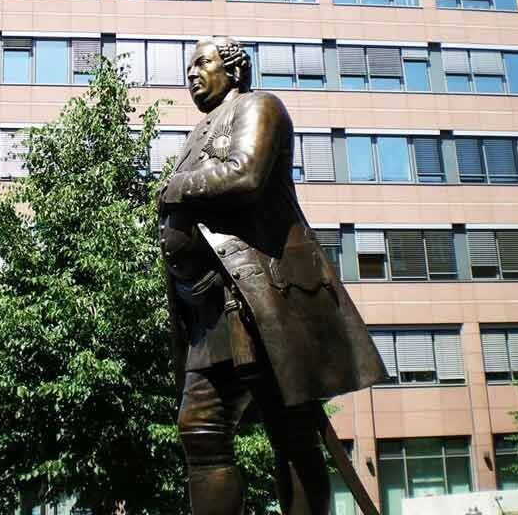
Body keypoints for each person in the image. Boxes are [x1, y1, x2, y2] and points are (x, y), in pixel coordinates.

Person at [156, 37, 387, 515]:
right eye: (188, 67)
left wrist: (173, 186)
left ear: (234, 70)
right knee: (199, 429)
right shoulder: (199, 132)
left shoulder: (260, 106)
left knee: (291, 430)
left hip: (259, 298)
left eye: (203, 63)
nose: (192, 73)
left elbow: (245, 175)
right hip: (207, 310)